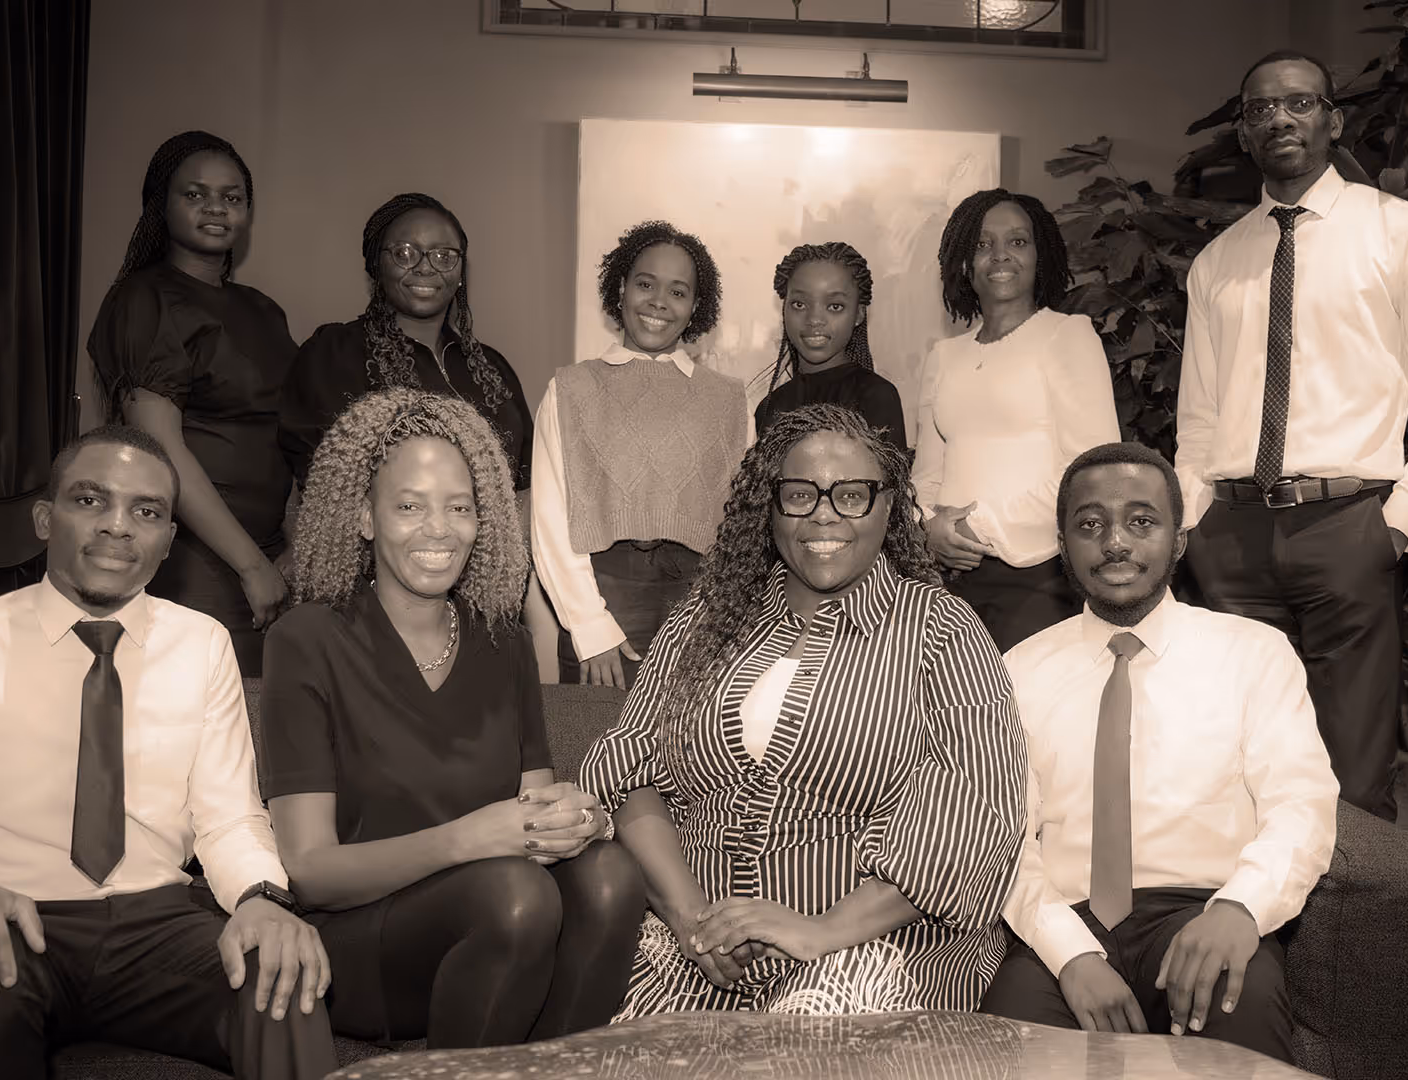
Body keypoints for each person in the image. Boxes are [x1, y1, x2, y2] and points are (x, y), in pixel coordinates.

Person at [0, 427, 336, 1080]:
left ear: (168, 540)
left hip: (158, 923)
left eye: (146, 512)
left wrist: (261, 896)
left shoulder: (201, 645)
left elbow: (229, 814)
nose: (119, 527)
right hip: (7, 920)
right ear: (43, 518)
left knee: (283, 983)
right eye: (90, 501)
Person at [580, 403, 1027, 1017]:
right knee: (612, 1042)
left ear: (889, 506)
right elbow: (630, 772)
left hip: (876, 943)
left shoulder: (939, 631)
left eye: (852, 495)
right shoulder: (704, 621)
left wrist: (815, 932)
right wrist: (691, 918)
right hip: (698, 940)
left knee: (804, 1041)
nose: (823, 514)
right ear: (770, 507)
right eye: (799, 494)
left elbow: (970, 819)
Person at [258, 389, 644, 1048]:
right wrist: (469, 839)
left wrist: (579, 820)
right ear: (364, 517)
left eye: (459, 507)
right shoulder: (306, 640)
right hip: (361, 941)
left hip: (502, 933)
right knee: (515, 897)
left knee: (611, 877)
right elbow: (311, 870)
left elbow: (532, 814)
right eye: (409, 506)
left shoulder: (504, 642)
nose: (439, 529)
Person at [1174, 49, 1408, 818]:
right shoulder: (1217, 264)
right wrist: (1193, 524)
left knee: (1352, 777)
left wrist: (1398, 527)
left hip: (1351, 526)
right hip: (1232, 535)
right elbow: (1199, 421)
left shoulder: (1405, 234)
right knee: (1243, 769)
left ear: (1333, 120)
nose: (1279, 117)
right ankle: (1254, 941)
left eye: (1300, 103)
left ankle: (1348, 940)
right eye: (1260, 109)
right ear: (1243, 133)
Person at [979, 442, 1338, 1065]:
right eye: (1090, 525)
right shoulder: (1015, 671)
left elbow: (1300, 804)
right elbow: (998, 837)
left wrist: (1239, 909)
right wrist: (1069, 954)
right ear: (1063, 545)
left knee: (1239, 1016)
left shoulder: (1254, 654)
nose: (1115, 541)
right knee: (1015, 1047)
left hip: (1202, 915)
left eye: (1142, 521)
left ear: (1178, 539)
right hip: (1066, 923)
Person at [88, 130, 298, 677]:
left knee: (257, 733)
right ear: (161, 205)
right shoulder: (145, 298)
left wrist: (295, 547)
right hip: (195, 556)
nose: (216, 208)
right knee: (192, 725)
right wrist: (250, 566)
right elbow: (159, 450)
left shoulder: (263, 310)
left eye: (232, 197)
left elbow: (291, 435)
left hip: (272, 549)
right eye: (195, 194)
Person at [532, 220, 752, 689]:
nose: (658, 302)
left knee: (693, 753)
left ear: (696, 307)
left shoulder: (731, 399)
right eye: (645, 284)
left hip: (703, 603)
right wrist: (589, 624)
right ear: (621, 289)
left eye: (678, 291)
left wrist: (725, 616)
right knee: (591, 751)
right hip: (604, 597)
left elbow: (744, 523)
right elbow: (550, 516)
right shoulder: (570, 389)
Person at [915, 189, 1121, 653]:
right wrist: (928, 526)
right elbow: (925, 476)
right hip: (943, 580)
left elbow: (1089, 475)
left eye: (1017, 242)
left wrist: (978, 528)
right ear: (964, 263)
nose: (1000, 255)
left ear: (1040, 254)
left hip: (1035, 575)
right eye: (983, 244)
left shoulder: (1068, 336)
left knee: (1025, 718)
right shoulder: (944, 356)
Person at [277, 193, 532, 492]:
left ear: (461, 271)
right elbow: (326, 482)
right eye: (405, 253)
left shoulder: (492, 368)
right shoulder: (335, 353)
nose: (425, 267)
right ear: (376, 265)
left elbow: (525, 481)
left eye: (444, 256)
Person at [752, 242, 907, 453]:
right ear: (784, 308)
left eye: (835, 306)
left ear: (859, 314)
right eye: (799, 304)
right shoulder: (769, 408)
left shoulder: (876, 397)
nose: (815, 320)